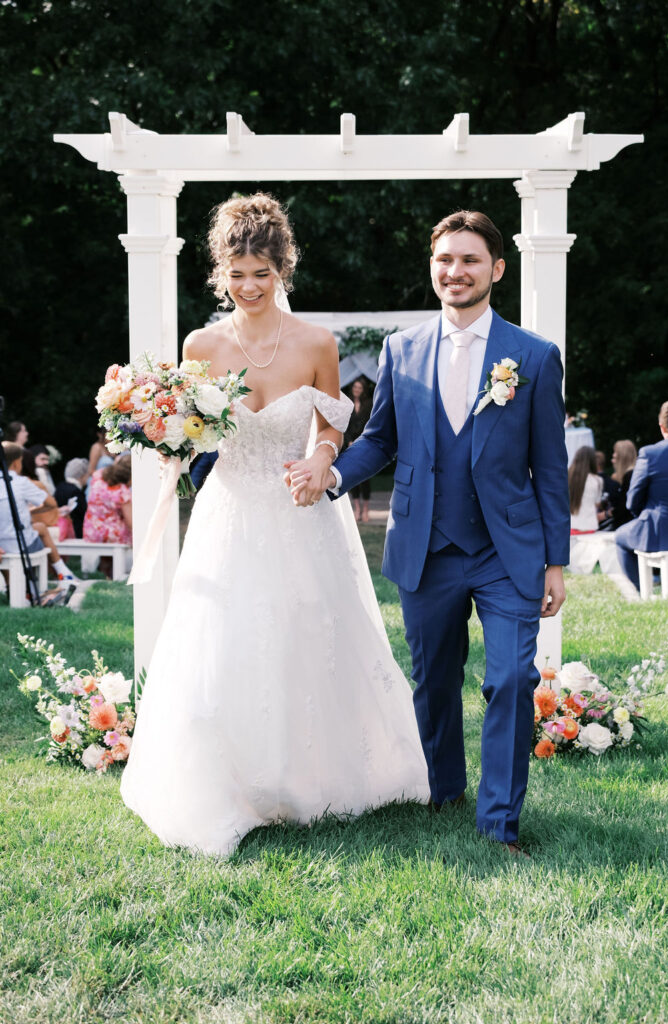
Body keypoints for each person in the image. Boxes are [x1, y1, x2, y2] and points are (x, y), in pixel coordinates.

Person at [120, 193, 429, 855]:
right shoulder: (200, 343)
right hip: (228, 513)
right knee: (222, 641)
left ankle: (312, 776)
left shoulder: (318, 342)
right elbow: (195, 434)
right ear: (219, 272)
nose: (249, 285)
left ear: (282, 270)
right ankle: (226, 781)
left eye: (261, 271)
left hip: (298, 516)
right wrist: (164, 429)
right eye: (237, 271)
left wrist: (319, 460)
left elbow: (332, 422)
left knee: (303, 634)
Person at [289, 209, 570, 857]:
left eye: (469, 259)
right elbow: (379, 439)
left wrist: (554, 561)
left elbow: (549, 467)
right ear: (432, 267)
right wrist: (328, 474)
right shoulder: (402, 350)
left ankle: (498, 823)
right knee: (434, 680)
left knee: (510, 680)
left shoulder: (532, 357)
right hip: (424, 547)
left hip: (508, 553)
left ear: (495, 269)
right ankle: (444, 791)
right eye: (444, 259)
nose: (455, 271)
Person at [614, 400, 668, 591]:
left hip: (662, 530)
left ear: (662, 427)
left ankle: (641, 590)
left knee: (620, 537)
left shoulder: (650, 454)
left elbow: (633, 499)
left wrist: (642, 516)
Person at [0, 442, 79, 589]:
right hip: (21, 545)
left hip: (1, 546)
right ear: (17, 463)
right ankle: (62, 572)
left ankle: (11, 586)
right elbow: (51, 504)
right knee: (40, 528)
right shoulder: (22, 482)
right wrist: (28, 511)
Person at [83, 456, 132, 575]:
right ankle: (121, 571)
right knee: (133, 533)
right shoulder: (122, 491)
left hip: (91, 531)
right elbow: (131, 522)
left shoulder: (98, 477)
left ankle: (105, 570)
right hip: (112, 535)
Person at [343, 378, 373, 522]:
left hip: (364, 443)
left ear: (363, 390)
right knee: (353, 477)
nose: (357, 389)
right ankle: (357, 509)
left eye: (360, 387)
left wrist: (361, 441)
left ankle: (366, 509)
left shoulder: (369, 404)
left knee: (365, 478)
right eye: (355, 387)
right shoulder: (347, 403)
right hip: (350, 444)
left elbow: (370, 424)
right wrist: (349, 441)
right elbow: (345, 425)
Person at [568, 446, 604, 534]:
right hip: (589, 525)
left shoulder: (568, 478)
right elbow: (597, 503)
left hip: (570, 524)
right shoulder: (598, 480)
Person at [54, 458, 89, 539]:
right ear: (82, 475)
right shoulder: (76, 492)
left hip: (61, 529)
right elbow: (83, 514)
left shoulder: (60, 487)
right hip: (74, 533)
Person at [609, 439, 637, 529]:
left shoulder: (629, 476)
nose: (613, 456)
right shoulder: (633, 474)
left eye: (615, 452)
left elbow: (623, 506)